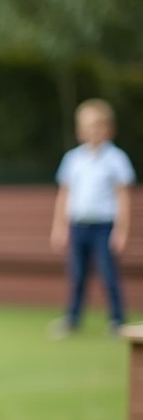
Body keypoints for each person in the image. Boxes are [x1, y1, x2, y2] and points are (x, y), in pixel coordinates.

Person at [50, 98, 134, 338]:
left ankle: (117, 320)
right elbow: (64, 195)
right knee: (77, 274)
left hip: (104, 226)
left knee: (108, 274)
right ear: (79, 130)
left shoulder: (116, 159)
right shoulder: (73, 159)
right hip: (78, 225)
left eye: (98, 126)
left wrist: (122, 230)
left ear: (109, 129)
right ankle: (73, 318)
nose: (93, 131)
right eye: (88, 126)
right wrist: (59, 227)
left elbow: (123, 197)